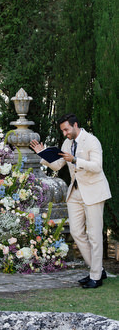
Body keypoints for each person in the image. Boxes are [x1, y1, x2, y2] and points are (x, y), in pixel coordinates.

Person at [30, 113, 111, 289]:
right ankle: (98, 269)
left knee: (95, 236)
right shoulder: (67, 143)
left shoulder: (91, 141)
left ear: (75, 125)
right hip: (75, 193)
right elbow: (59, 165)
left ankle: (96, 276)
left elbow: (97, 167)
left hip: (94, 192)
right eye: (62, 130)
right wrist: (42, 154)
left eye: (66, 129)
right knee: (76, 232)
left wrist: (75, 160)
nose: (65, 133)